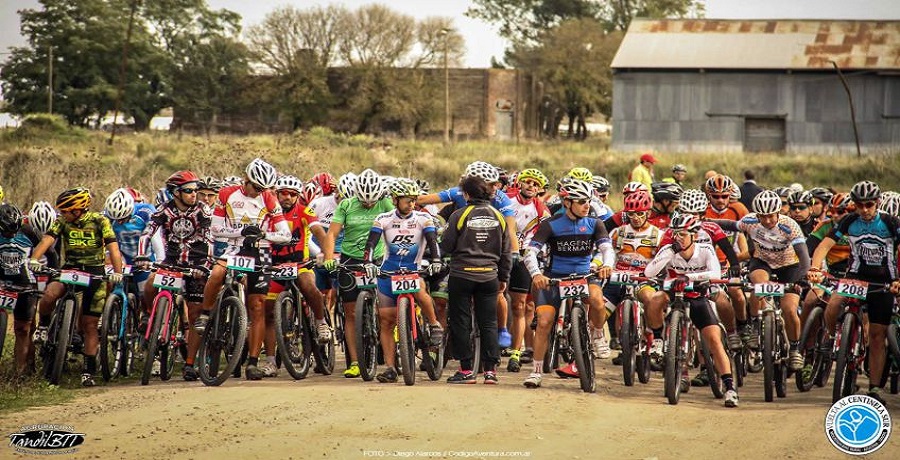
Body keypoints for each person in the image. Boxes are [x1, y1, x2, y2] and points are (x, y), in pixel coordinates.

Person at [199, 158, 292, 380]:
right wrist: (241, 232)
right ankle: (205, 313)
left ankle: (252, 362)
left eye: (262, 189)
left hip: (260, 252)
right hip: (234, 248)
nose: (257, 192)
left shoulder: (269, 199)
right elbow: (216, 229)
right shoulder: (227, 194)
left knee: (258, 306)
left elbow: (285, 235)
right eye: (255, 187)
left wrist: (263, 234)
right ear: (246, 180)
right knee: (217, 273)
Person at [522, 179, 614, 387]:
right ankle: (536, 371)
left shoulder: (594, 223)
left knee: (598, 301)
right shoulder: (551, 224)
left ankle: (598, 335)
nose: (586, 205)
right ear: (567, 202)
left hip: (584, 275)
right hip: (554, 278)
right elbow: (531, 252)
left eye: (588, 201)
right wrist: (537, 274)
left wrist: (607, 264)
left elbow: (607, 249)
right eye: (581, 201)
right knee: (544, 322)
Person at [814, 181, 899, 405]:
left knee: (878, 337)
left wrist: (898, 280)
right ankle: (832, 339)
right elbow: (824, 244)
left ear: (878, 203)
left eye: (869, 205)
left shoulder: (890, 223)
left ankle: (874, 388)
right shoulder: (849, 221)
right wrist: (814, 269)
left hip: (884, 281)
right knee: (833, 304)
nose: (864, 210)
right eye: (859, 205)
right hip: (855, 276)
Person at [30, 187, 125, 387]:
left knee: (90, 325)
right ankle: (44, 326)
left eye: (66, 211)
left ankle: (88, 371)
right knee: (49, 295)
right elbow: (48, 240)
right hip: (70, 269)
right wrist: (34, 258)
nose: (62, 214)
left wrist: (117, 271)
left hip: (94, 273)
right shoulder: (62, 222)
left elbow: (113, 248)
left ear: (78, 210)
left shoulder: (100, 221)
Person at [643, 214, 739, 408]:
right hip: (674, 295)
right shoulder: (669, 250)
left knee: (713, 339)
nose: (678, 238)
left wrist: (689, 277)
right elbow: (648, 273)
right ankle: (658, 340)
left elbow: (715, 273)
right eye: (676, 234)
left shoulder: (705, 250)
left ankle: (730, 388)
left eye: (683, 234)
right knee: (655, 298)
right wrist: (669, 253)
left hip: (697, 297)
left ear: (694, 235)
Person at [711, 190, 810, 371]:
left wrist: (803, 277)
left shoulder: (790, 226)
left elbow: (804, 256)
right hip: (762, 261)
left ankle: (795, 349)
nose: (767, 221)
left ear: (778, 212)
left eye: (771, 216)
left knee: (789, 309)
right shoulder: (751, 221)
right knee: (759, 285)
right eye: (762, 217)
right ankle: (757, 325)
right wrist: (706, 222)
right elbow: (731, 225)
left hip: (790, 266)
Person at [362, 178, 444, 383]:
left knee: (420, 291)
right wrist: (368, 262)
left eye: (414, 200)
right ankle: (390, 368)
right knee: (387, 321)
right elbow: (371, 243)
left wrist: (436, 260)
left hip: (413, 269)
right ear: (395, 199)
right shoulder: (383, 218)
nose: (412, 204)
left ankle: (434, 325)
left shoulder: (424, 219)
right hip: (388, 272)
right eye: (408, 200)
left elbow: (433, 242)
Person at [135, 171, 212, 381]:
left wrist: (205, 265)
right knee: (150, 282)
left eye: (195, 190)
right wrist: (142, 255)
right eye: (188, 191)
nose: (194, 194)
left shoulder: (202, 210)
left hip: (197, 263)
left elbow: (209, 239)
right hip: (172, 261)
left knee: (195, 314)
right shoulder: (165, 209)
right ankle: (148, 313)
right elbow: (147, 232)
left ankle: (190, 363)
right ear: (176, 193)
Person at [321, 169, 394, 378]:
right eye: (364, 201)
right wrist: (328, 257)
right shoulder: (346, 205)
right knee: (351, 312)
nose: (369, 205)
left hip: (378, 258)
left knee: (386, 310)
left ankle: (391, 349)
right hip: (350, 259)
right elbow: (332, 233)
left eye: (372, 202)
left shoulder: (385, 204)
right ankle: (354, 361)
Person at [440, 175, 512, 384]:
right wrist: (503, 276)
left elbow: (447, 245)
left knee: (461, 322)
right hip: (489, 276)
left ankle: (465, 371)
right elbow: (506, 251)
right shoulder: (498, 216)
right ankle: (490, 372)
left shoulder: (459, 215)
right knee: (489, 322)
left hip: (462, 275)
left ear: (467, 194)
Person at [263, 175, 332, 377]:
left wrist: (324, 253)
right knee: (268, 312)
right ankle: (269, 361)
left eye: (292, 194)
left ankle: (320, 322)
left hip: (299, 264)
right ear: (277, 194)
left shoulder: (303, 210)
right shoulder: (268, 213)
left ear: (297, 196)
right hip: (274, 266)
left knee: (309, 286)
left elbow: (318, 230)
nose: (287, 197)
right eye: (283, 193)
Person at [0, 204, 58, 377]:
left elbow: (51, 254)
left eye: (14, 232)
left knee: (23, 329)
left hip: (26, 284)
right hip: (2, 282)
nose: (11, 235)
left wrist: (53, 277)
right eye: (7, 233)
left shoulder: (28, 232)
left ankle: (21, 372)